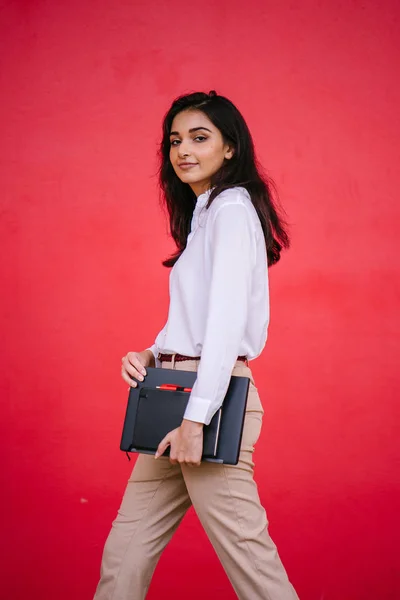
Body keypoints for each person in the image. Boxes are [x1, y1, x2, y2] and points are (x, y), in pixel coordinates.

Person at [93, 91, 299, 600]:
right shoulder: (206, 213)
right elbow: (197, 317)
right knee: (126, 552)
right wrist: (151, 352)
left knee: (249, 559)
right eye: (175, 140)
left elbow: (227, 325)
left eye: (200, 138)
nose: (183, 149)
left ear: (230, 148)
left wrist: (195, 419)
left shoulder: (232, 208)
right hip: (176, 391)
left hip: (209, 401)